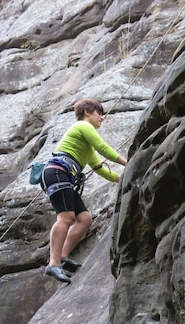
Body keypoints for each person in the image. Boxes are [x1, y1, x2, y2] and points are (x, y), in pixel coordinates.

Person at [40, 98, 127, 283]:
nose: (102, 117)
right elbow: (103, 148)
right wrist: (128, 163)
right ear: (87, 112)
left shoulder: (87, 147)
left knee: (85, 219)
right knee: (66, 217)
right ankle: (53, 264)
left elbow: (100, 168)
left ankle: (62, 256)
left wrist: (121, 178)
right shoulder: (83, 126)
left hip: (62, 175)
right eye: (99, 113)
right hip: (57, 173)